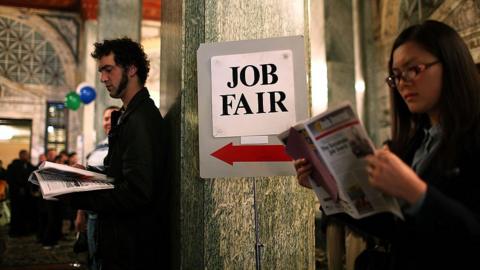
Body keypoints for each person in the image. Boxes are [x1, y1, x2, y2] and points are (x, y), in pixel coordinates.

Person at [295, 20, 480, 270]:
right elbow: (396, 228)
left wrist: (415, 192)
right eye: (396, 76)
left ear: (451, 65)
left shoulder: (473, 136)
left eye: (414, 69)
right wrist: (327, 188)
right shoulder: (418, 141)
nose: (403, 83)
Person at [63, 37, 168, 269]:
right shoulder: (129, 114)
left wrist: (79, 195)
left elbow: (137, 193)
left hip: (133, 249)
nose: (102, 78)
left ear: (131, 69)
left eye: (108, 70)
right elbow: (120, 174)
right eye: (101, 71)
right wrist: (86, 176)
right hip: (122, 242)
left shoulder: (140, 119)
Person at [75, 105, 119, 270]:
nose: (109, 122)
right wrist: (80, 213)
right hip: (92, 213)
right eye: (106, 118)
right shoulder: (98, 146)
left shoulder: (122, 143)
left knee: (104, 258)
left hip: (108, 213)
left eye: (113, 117)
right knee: (93, 255)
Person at [6, 150, 35, 236]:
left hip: (26, 195)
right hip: (16, 195)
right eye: (25, 155)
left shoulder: (29, 166)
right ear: (21, 156)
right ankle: (15, 231)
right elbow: (10, 179)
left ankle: (24, 230)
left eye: (27, 155)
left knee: (25, 213)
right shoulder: (13, 166)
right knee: (16, 214)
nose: (27, 157)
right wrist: (19, 188)